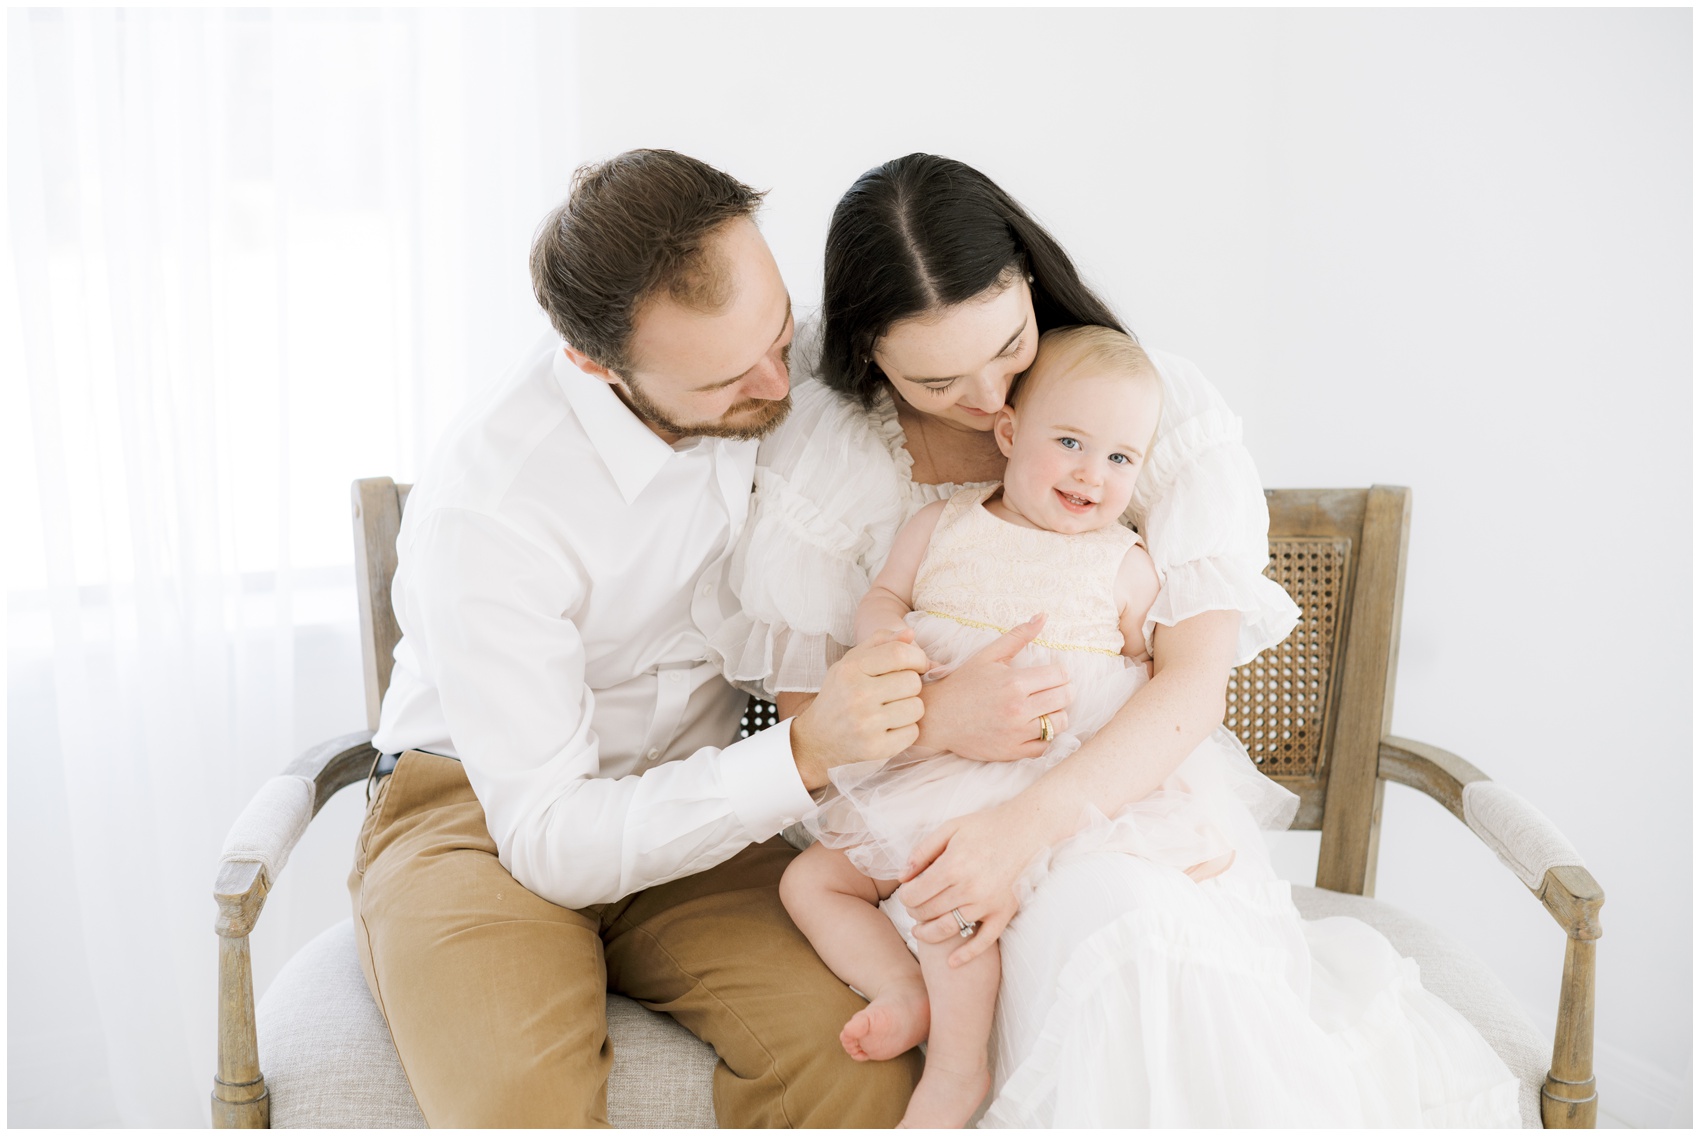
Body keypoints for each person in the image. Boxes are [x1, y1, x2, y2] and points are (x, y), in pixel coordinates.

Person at [714, 153, 1523, 1126]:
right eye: (934, 376)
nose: (984, 396)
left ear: (1029, 280)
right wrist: (939, 719)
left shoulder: (1141, 409)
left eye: (1006, 345)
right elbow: (814, 720)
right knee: (1024, 929)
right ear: (867, 356)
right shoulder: (835, 455)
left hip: (1112, 801)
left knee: (1124, 920)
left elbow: (1185, 687)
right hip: (919, 819)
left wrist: (1022, 828)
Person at [349, 149, 931, 1127]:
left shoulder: (777, 371)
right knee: (520, 1111)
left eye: (775, 328)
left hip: (695, 792)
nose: (772, 377)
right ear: (594, 362)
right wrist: (805, 750)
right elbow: (547, 837)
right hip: (483, 813)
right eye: (720, 379)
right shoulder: (493, 509)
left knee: (860, 1062)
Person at [780, 327, 1304, 1127]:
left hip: (1044, 779)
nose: (1094, 474)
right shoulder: (940, 527)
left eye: (1122, 459)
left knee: (954, 904)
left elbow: (1157, 677)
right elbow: (883, 597)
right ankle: (900, 988)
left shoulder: (1125, 562)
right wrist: (885, 635)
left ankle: (956, 1072)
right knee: (811, 880)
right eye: (1070, 443)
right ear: (1010, 434)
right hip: (934, 760)